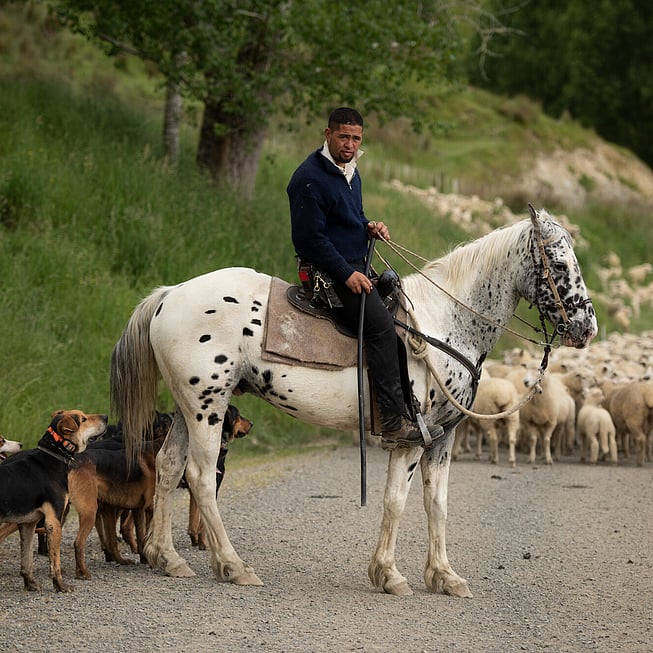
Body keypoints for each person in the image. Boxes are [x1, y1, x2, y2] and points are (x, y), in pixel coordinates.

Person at [287, 107, 435, 449]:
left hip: (355, 265)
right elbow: (309, 240)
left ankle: (406, 407)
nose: (350, 145)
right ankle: (393, 423)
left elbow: (348, 217)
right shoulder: (309, 178)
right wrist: (346, 274)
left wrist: (368, 226)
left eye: (355, 138)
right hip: (326, 274)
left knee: (397, 319)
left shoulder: (351, 172)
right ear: (327, 134)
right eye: (343, 137)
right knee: (381, 329)